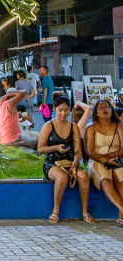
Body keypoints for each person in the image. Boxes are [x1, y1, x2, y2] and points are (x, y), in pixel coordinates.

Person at [36, 93, 93, 224]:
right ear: (54, 109)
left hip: (69, 162)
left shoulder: (74, 127)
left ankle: (85, 212)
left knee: (84, 176)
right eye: (60, 110)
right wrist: (56, 147)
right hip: (52, 163)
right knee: (62, 177)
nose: (63, 113)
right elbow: (40, 148)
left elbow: (78, 150)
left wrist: (76, 162)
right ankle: (55, 211)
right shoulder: (48, 126)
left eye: (66, 110)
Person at [85, 98, 123, 224]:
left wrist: (110, 157)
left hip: (116, 159)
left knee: (121, 180)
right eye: (100, 108)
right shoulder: (91, 128)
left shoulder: (119, 125)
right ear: (96, 112)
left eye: (107, 107)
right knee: (106, 180)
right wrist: (104, 160)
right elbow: (90, 152)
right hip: (97, 160)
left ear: (112, 110)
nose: (104, 109)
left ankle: (122, 217)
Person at [0, 80, 27, 145]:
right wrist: (10, 94)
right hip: (12, 139)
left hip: (1, 138)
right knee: (35, 140)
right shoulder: (10, 103)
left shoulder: (0, 103)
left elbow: (8, 120)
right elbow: (24, 92)